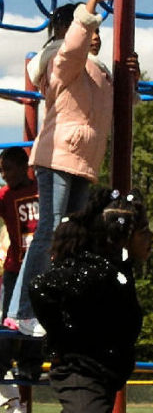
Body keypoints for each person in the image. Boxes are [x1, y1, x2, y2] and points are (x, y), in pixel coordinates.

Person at [6, 0, 140, 338]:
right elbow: (75, 46)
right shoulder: (60, 62)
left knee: (72, 238)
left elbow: (122, 105)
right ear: (73, 30)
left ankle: (57, 305)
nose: (95, 38)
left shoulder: (97, 74)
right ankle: (19, 311)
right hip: (58, 155)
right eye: (91, 30)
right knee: (49, 230)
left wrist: (131, 77)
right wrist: (92, 4)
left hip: (83, 162)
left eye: (98, 32)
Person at [29, 187, 153, 413]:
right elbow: (40, 287)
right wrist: (61, 335)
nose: (150, 237)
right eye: (143, 230)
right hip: (82, 376)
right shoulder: (97, 271)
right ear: (124, 236)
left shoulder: (117, 270)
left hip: (99, 377)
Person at [0, 148, 42, 413]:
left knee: (37, 321)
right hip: (16, 268)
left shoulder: (41, 190)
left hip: (38, 268)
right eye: (1, 171)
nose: (4, 175)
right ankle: (1, 364)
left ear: (23, 166)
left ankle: (30, 365)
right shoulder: (5, 196)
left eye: (8, 169)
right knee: (8, 319)